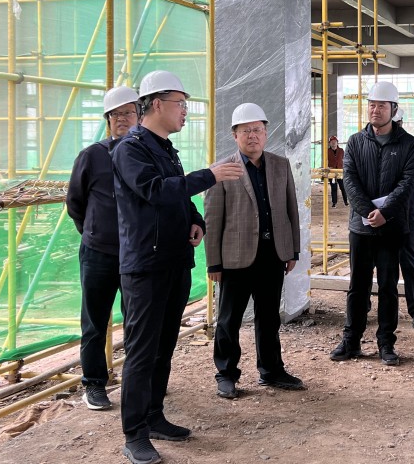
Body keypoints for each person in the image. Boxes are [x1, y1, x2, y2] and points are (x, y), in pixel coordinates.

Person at [111, 70, 243, 464]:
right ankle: (135, 434)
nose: (185, 111)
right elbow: (153, 190)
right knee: (141, 352)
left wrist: (195, 219)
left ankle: (154, 417)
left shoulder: (166, 149)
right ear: (156, 104)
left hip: (173, 262)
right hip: (146, 267)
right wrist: (210, 176)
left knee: (163, 346)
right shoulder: (130, 149)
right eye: (180, 104)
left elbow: (177, 194)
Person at [205, 103, 304, 399]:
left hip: (272, 254)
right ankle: (226, 374)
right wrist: (214, 264)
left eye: (258, 130)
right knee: (229, 320)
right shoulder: (223, 170)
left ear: (265, 132)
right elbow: (213, 219)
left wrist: (292, 250)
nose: (253, 136)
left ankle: (271, 370)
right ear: (234, 135)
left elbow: (291, 210)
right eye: (246, 130)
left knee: (269, 317)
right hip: (235, 259)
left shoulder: (280, 165)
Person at [329, 81, 414, 366]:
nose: (375, 110)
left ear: (393, 109)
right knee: (357, 285)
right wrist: (369, 212)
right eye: (371, 105)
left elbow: (408, 184)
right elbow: (350, 180)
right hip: (361, 228)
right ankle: (351, 340)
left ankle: (386, 343)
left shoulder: (409, 145)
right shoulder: (355, 142)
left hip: (391, 229)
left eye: (381, 105)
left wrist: (385, 213)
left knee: (388, 286)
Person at [67, 86, 139, 411]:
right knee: (95, 321)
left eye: (129, 112)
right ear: (108, 119)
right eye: (116, 114)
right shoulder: (92, 155)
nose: (123, 119)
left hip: (136, 253)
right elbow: (75, 202)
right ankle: (94, 384)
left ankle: (138, 382)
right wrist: (94, 232)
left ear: (140, 116)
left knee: (137, 319)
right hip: (98, 253)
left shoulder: (146, 154)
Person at [391, 106, 414, 330]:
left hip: (405, 215)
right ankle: (367, 308)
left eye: (396, 123)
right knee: (374, 263)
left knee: (409, 262)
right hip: (378, 215)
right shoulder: (373, 145)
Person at [327, 135, 348, 207]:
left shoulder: (341, 151)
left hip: (340, 172)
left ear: (337, 142)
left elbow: (345, 159)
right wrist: (327, 167)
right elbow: (325, 161)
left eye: (335, 141)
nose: (333, 143)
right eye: (332, 142)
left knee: (343, 187)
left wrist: (345, 167)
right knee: (334, 188)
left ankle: (346, 201)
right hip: (332, 172)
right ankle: (334, 203)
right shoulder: (327, 151)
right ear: (329, 143)